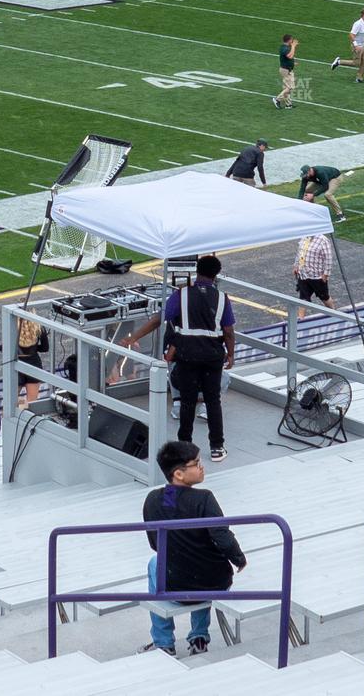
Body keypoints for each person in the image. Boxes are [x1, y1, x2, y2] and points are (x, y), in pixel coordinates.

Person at [119, 257, 235, 461]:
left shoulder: (181, 295)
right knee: (213, 401)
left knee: (187, 402)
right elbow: (228, 331)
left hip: (187, 355)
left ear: (196, 271)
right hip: (212, 356)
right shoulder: (222, 298)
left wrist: (133, 338)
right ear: (216, 275)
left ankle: (185, 447)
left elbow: (158, 319)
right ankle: (217, 447)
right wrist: (231, 354)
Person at [138, 440, 246, 656]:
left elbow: (156, 545)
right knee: (205, 563)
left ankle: (163, 642)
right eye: (196, 463)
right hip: (214, 583)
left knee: (155, 563)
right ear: (179, 473)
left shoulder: (155, 499)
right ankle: (199, 638)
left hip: (175, 584)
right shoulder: (204, 498)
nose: (202, 466)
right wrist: (239, 559)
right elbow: (222, 537)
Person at [330, 8, 364, 84]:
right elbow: (351, 34)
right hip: (357, 47)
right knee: (356, 63)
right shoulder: (358, 24)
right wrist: (355, 46)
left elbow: (360, 35)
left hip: (363, 45)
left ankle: (359, 78)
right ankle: (339, 62)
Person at [293, 232, 333, 307]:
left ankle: (334, 313)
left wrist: (326, 274)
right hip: (303, 274)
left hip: (317, 276)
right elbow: (300, 252)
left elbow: (328, 258)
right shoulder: (304, 237)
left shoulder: (323, 240)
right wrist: (296, 265)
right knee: (303, 299)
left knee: (324, 297)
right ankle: (301, 318)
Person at [272, 34, 297, 109]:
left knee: (286, 87)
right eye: (291, 40)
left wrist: (293, 62)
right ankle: (277, 99)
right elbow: (290, 56)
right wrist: (293, 46)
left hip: (287, 69)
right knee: (290, 87)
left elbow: (289, 58)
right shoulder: (285, 48)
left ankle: (288, 105)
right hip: (285, 70)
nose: (292, 41)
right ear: (289, 40)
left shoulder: (285, 47)